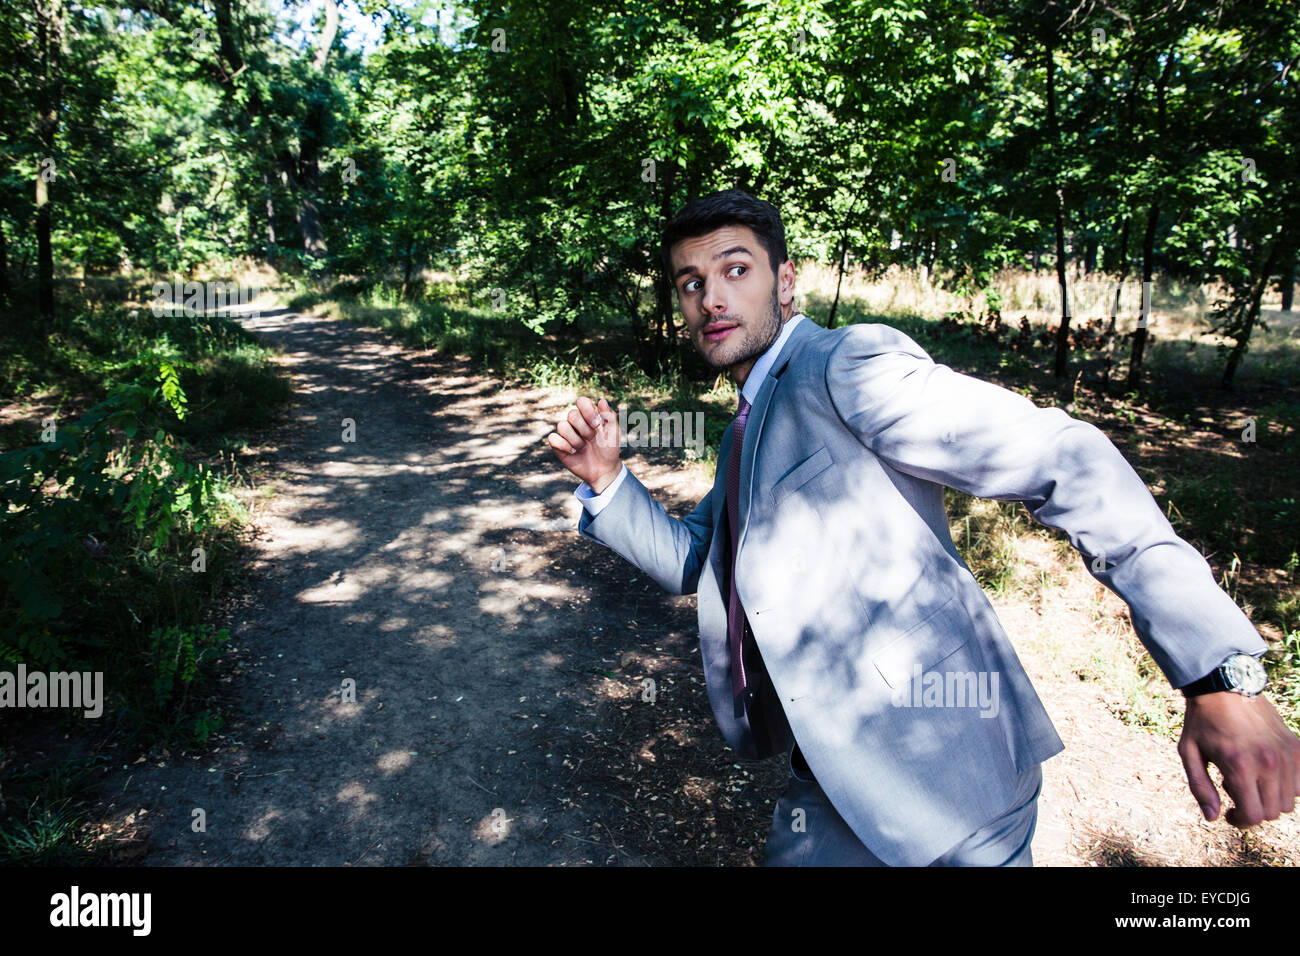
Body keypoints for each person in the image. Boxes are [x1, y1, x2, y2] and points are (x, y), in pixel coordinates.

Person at [545, 188, 1299, 866]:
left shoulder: (846, 364)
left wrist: (1216, 672)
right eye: (691, 282)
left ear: (786, 277)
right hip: (831, 778)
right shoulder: (745, 425)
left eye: (736, 269)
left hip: (946, 782)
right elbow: (696, 561)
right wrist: (608, 482)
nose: (712, 296)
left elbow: (1063, 456)